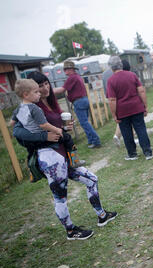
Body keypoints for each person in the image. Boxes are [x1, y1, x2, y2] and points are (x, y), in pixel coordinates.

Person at [12, 71, 117, 241]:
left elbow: (55, 127)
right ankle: (71, 231)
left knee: (91, 179)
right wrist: (44, 136)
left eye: (46, 83)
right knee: (60, 197)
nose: (45, 88)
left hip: (64, 156)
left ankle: (102, 215)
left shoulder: (50, 102)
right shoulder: (28, 107)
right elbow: (17, 132)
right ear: (30, 91)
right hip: (50, 157)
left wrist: (64, 128)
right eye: (40, 86)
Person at [10, 79, 84, 168]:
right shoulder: (34, 108)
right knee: (67, 138)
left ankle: (32, 170)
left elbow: (12, 122)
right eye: (36, 92)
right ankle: (74, 161)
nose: (39, 94)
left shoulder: (18, 109)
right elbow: (43, 125)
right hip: (43, 137)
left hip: (33, 141)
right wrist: (56, 129)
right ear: (26, 94)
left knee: (30, 153)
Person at [106, 56, 152, 161]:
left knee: (126, 132)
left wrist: (114, 114)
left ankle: (132, 154)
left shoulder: (111, 80)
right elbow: (141, 91)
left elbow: (112, 100)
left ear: (111, 68)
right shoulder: (132, 75)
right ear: (121, 65)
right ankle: (148, 152)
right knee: (141, 129)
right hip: (136, 107)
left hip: (122, 111)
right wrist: (145, 106)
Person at [53, 60, 101, 149]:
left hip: (79, 101)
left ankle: (96, 141)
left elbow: (62, 89)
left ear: (71, 69)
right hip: (84, 99)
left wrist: (49, 91)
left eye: (66, 69)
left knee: (84, 123)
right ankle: (91, 140)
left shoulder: (72, 78)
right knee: (85, 122)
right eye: (64, 69)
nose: (65, 71)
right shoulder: (77, 76)